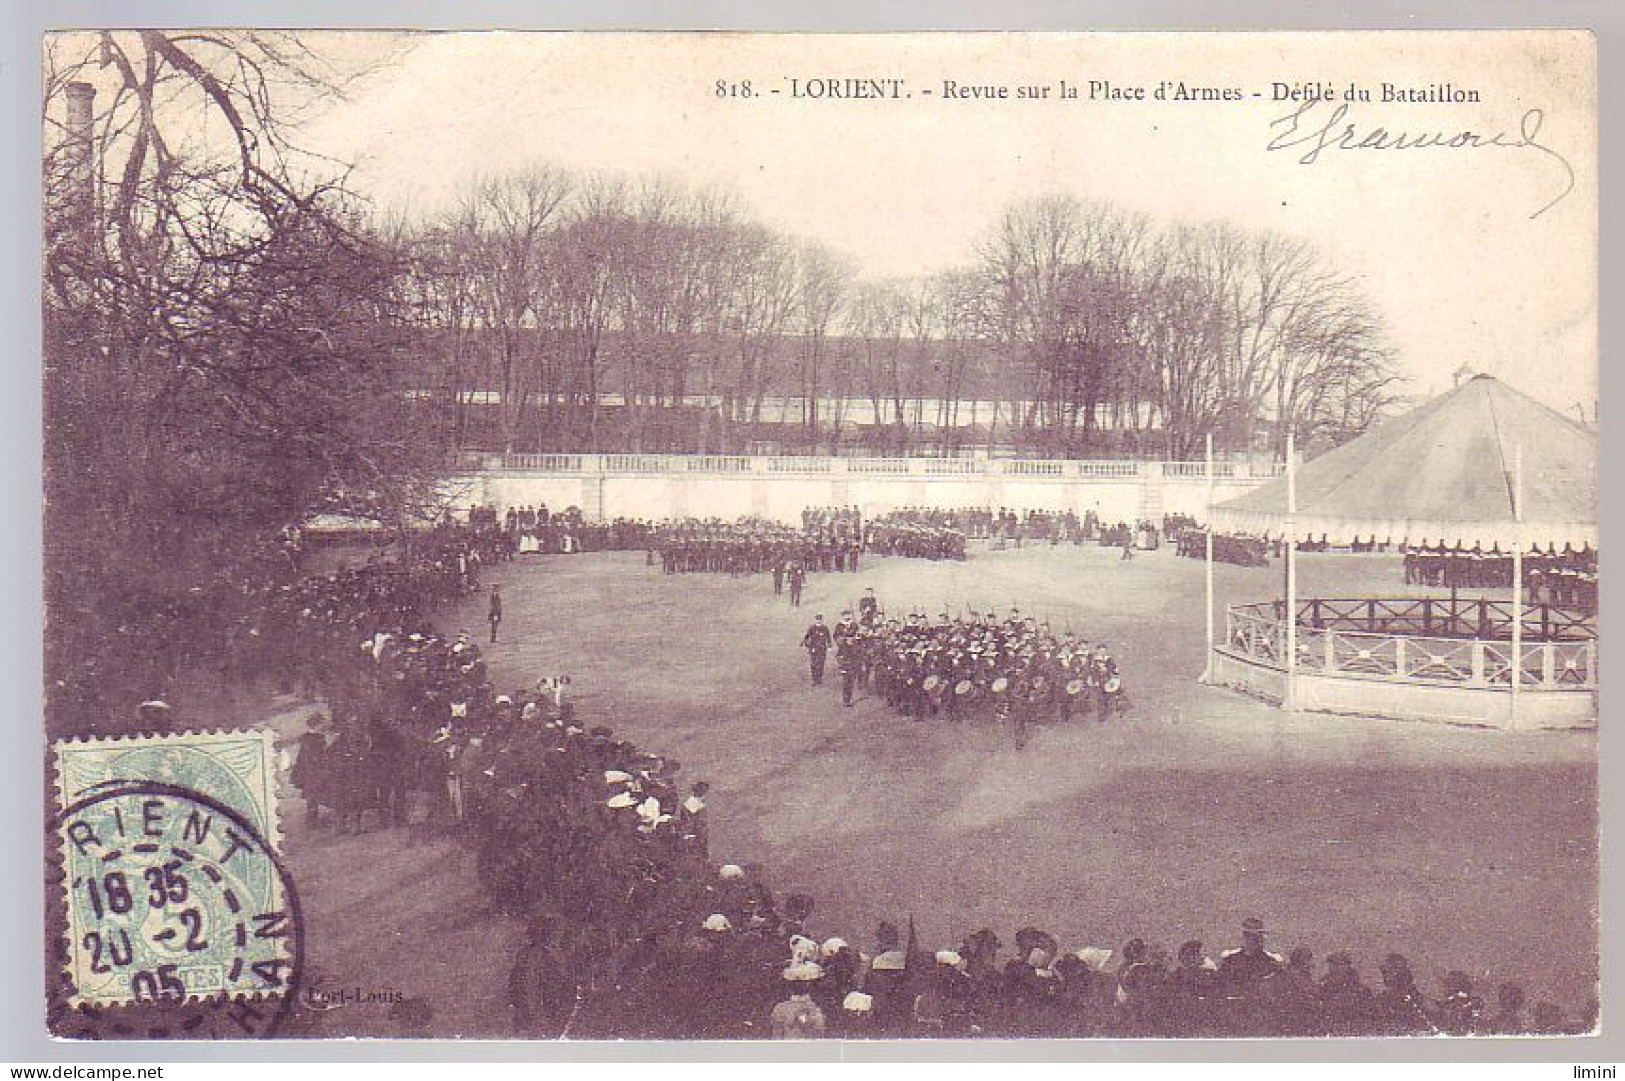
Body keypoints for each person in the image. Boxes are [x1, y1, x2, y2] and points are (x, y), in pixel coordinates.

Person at [802, 615, 832, 686]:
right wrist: (806, 644)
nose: (818, 621)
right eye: (817, 619)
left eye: (820, 619)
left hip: (822, 649)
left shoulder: (825, 628)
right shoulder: (812, 628)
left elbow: (828, 637)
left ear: (822, 620)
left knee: (821, 663)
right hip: (814, 648)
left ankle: (819, 678)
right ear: (815, 620)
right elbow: (807, 636)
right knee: (813, 664)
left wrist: (829, 646)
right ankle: (814, 679)